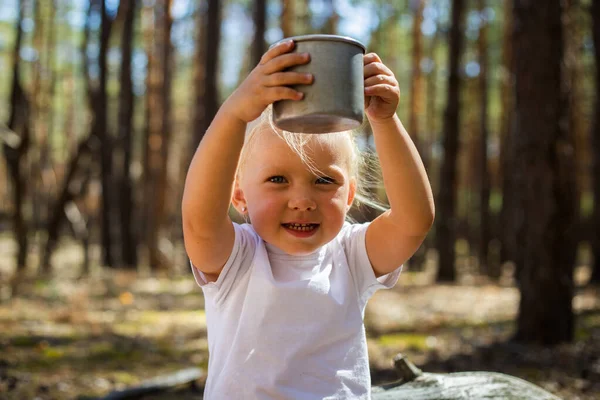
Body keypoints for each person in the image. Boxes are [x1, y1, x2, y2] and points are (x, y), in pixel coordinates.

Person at [182, 39, 435, 399]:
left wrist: (386, 120)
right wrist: (235, 114)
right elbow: (199, 222)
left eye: (324, 181)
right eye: (277, 180)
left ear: (348, 196)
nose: (302, 201)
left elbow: (414, 222)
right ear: (238, 196)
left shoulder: (350, 256)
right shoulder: (237, 259)